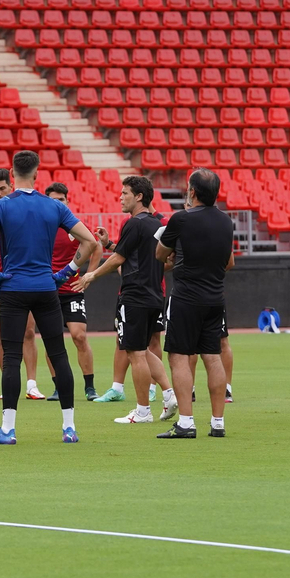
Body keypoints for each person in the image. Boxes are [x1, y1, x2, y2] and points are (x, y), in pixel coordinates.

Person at [0, 150, 99, 444]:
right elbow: (90, 241)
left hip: (13, 290)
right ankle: (69, 428)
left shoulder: (1, 206)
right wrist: (68, 272)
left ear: (12, 175)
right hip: (46, 288)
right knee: (59, 355)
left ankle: (7, 429)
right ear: (37, 174)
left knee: (12, 357)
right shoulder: (53, 206)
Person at [73, 175, 176, 424]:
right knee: (143, 349)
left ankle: (142, 411)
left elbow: (120, 259)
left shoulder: (134, 223)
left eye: (125, 193)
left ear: (139, 196)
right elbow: (161, 259)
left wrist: (92, 275)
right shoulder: (155, 224)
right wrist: (110, 243)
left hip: (135, 296)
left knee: (135, 353)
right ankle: (169, 394)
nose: (120, 197)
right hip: (155, 295)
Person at [153, 168, 235, 438]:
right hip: (215, 297)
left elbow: (160, 253)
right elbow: (228, 262)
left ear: (193, 192)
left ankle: (186, 423)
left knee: (178, 356)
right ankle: (218, 423)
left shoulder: (181, 219)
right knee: (212, 356)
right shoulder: (226, 222)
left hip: (186, 297)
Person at [0, 166, 43, 398]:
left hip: (22, 280)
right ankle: (7, 382)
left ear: (12, 185)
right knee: (0, 332)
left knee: (28, 332)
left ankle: (31, 384)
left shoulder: (23, 211)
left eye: (2, 188)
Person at [43, 180, 98, 401]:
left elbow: (95, 247)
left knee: (79, 336)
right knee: (52, 338)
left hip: (72, 289)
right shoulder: (42, 226)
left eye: (61, 200)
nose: (58, 203)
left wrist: (89, 276)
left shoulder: (73, 225)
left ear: (68, 201)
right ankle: (58, 387)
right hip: (47, 290)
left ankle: (90, 386)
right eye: (53, 200)